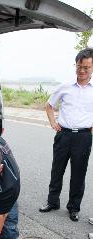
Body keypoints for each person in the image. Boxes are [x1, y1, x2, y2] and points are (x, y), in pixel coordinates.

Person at [39, 48, 93, 222]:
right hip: (64, 135)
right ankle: (52, 202)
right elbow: (49, 105)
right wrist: (53, 123)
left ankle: (73, 208)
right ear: (75, 65)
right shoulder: (65, 86)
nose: (82, 71)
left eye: (86, 67)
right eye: (79, 66)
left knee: (78, 174)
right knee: (57, 170)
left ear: (92, 68)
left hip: (84, 137)